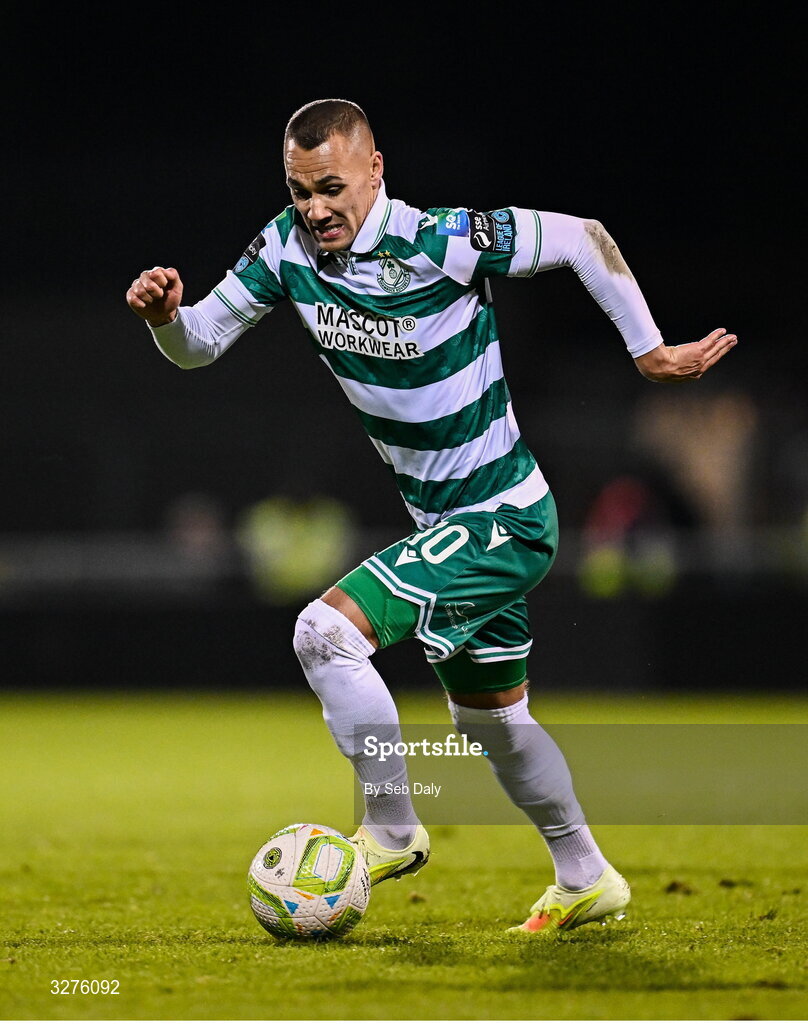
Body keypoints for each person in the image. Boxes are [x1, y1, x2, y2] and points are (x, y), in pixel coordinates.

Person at [126, 98, 737, 935]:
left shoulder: (440, 239)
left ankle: (388, 827)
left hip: (505, 517)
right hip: (443, 527)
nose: (315, 210)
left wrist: (648, 349)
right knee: (492, 723)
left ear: (375, 171)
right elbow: (199, 342)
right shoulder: (283, 248)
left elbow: (582, 236)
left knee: (323, 632)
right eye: (301, 191)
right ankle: (587, 875)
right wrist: (165, 320)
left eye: (331, 188)